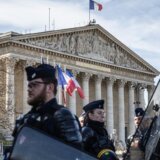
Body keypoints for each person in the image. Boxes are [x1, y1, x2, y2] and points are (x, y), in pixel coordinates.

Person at [5, 64, 82, 159]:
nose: (29, 89)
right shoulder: (25, 119)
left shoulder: (63, 116)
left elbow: (75, 154)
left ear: (50, 88)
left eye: (35, 85)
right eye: (29, 85)